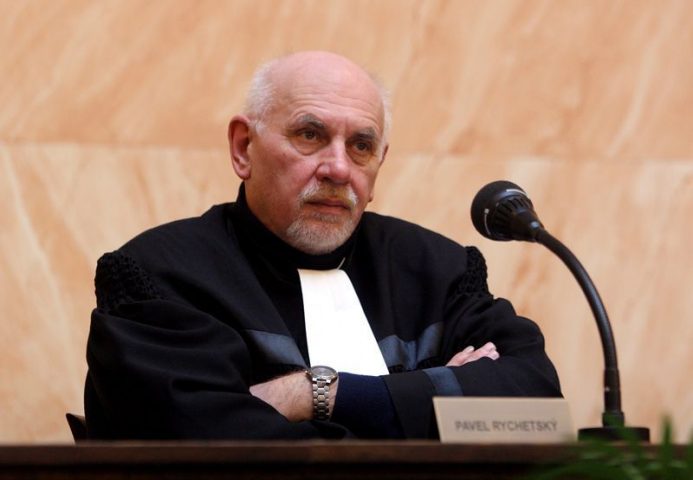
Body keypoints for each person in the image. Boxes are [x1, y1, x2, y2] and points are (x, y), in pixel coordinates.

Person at [84, 51, 561, 440]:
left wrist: (314, 394)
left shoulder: (438, 271)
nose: (338, 169)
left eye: (361, 146)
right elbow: (214, 448)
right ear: (243, 148)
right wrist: (425, 409)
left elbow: (535, 407)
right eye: (310, 135)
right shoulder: (159, 276)